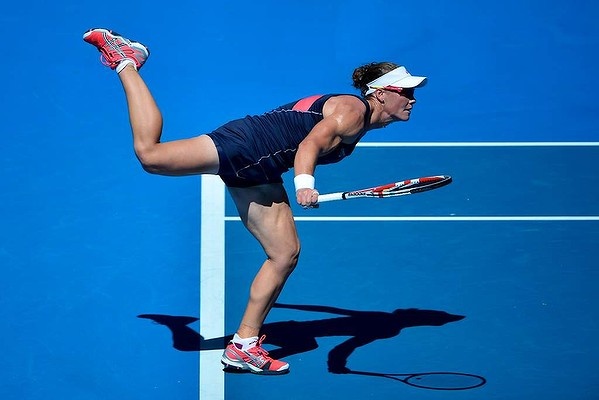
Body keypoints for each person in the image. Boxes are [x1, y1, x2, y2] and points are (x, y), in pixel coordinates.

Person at [82, 28, 427, 375]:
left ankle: (243, 346)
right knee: (151, 155)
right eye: (406, 91)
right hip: (248, 145)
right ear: (380, 94)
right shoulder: (352, 111)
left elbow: (347, 323)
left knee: (284, 253)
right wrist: (305, 184)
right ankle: (126, 61)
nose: (412, 98)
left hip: (262, 169)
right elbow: (309, 146)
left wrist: (337, 352)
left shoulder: (361, 119)